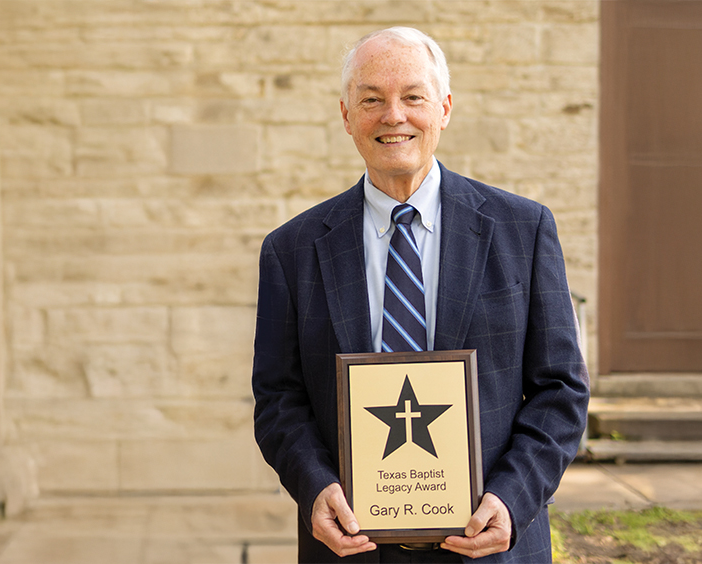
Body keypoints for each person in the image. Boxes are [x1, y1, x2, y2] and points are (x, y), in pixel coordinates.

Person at [252, 27, 589, 563]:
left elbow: (561, 390)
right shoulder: (292, 250)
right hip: (352, 549)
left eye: (413, 96)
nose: (393, 115)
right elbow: (278, 401)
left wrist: (512, 497)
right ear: (346, 116)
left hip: (489, 548)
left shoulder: (522, 231)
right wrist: (315, 487)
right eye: (371, 99)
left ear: (445, 108)